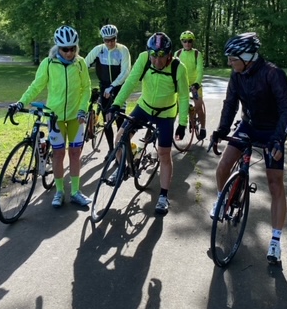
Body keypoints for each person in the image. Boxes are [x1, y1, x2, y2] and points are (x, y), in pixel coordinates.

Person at [209, 32, 287, 265]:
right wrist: (221, 129)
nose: (230, 63)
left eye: (232, 59)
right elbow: (230, 104)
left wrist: (278, 139)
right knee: (223, 167)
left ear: (247, 57)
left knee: (275, 183)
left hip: (272, 131)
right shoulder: (237, 75)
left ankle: (275, 241)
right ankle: (222, 200)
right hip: (248, 125)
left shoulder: (273, 74)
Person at [8, 25, 92, 209]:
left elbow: (86, 88)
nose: (69, 53)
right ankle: (60, 191)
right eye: (65, 49)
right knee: (59, 154)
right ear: (58, 48)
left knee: (75, 153)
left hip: (75, 117)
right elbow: (36, 86)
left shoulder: (80, 63)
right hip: (54, 117)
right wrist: (21, 103)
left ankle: (76, 192)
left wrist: (82, 109)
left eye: (73, 48)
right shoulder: (48, 63)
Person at [108, 32, 189, 215]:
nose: (156, 61)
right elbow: (130, 82)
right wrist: (116, 104)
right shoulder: (144, 59)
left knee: (164, 154)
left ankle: (163, 196)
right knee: (120, 138)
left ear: (169, 55)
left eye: (161, 57)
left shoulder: (178, 67)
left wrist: (183, 123)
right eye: (153, 56)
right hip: (144, 107)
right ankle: (123, 169)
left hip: (166, 114)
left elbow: (184, 97)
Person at [84, 24, 131, 151]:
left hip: (119, 87)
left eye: (112, 39)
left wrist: (112, 86)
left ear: (116, 38)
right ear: (103, 39)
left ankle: (121, 150)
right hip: (104, 87)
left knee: (120, 120)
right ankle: (111, 150)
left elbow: (125, 72)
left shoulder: (123, 50)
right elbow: (84, 65)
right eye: (107, 40)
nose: (110, 43)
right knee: (107, 121)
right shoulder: (98, 50)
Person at [174, 30, 206, 139]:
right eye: (184, 41)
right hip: (182, 84)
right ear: (181, 42)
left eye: (189, 41)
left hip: (195, 84)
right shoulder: (177, 54)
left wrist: (197, 83)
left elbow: (200, 70)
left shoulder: (197, 54)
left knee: (199, 106)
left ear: (193, 42)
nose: (187, 43)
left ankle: (203, 128)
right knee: (177, 106)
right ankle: (188, 115)